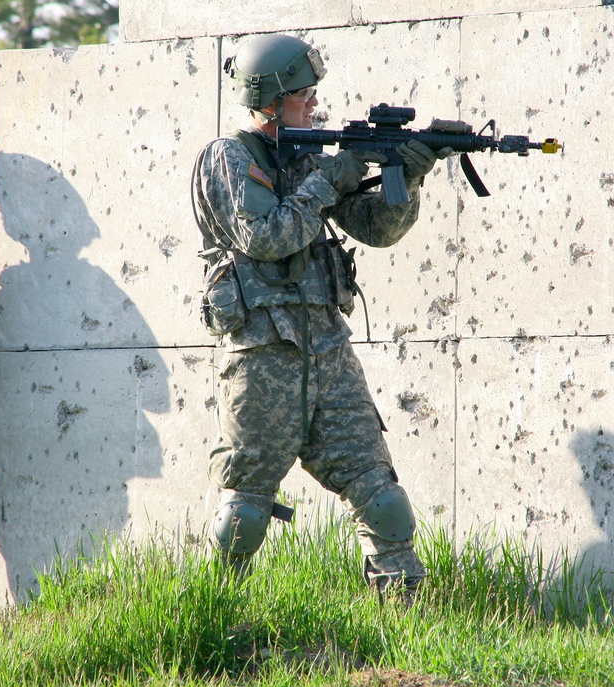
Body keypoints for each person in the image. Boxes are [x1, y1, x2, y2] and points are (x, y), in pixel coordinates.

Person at [191, 34, 448, 598]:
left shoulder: (308, 159)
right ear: (270, 99)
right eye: (304, 95)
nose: (314, 104)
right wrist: (331, 177)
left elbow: (377, 228)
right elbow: (265, 236)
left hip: (327, 351)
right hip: (263, 356)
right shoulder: (228, 157)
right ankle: (213, 621)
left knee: (382, 498)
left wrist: (410, 175)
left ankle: (406, 622)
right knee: (245, 514)